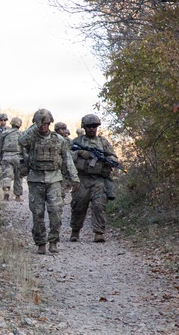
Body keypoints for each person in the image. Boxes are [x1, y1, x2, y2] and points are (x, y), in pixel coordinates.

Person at [19, 108, 78, 254]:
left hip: (54, 179)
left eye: (46, 123)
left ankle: (53, 241)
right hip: (36, 179)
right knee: (37, 213)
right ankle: (40, 243)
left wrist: (74, 177)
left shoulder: (58, 140)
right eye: (41, 123)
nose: (43, 126)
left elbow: (67, 158)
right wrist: (34, 125)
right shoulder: (31, 138)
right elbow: (21, 141)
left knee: (55, 211)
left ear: (50, 123)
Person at [70, 113, 118, 243]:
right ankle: (75, 231)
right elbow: (67, 157)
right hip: (82, 179)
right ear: (84, 127)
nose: (92, 129)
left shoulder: (103, 142)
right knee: (79, 206)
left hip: (98, 180)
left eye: (94, 126)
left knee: (99, 206)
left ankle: (99, 232)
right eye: (89, 126)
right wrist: (80, 153)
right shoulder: (77, 142)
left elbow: (113, 156)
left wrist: (110, 161)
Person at [0, 116, 24, 201]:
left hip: (6, 156)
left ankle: (6, 191)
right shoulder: (21, 134)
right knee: (18, 176)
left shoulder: (5, 133)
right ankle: (17, 196)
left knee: (7, 175)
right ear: (19, 125)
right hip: (18, 157)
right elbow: (24, 147)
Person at [54, 122, 74, 201]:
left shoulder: (68, 141)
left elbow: (70, 153)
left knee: (63, 182)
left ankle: (60, 198)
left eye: (64, 129)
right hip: (55, 165)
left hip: (64, 165)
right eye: (61, 129)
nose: (64, 132)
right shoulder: (53, 138)